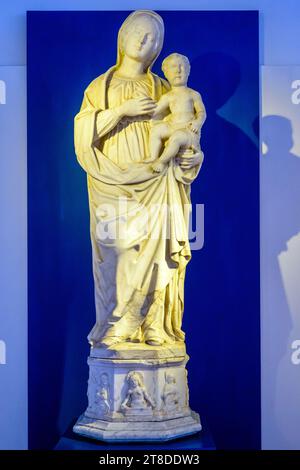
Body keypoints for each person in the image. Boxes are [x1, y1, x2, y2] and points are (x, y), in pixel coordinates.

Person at [74, 10, 203, 348]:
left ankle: (153, 326)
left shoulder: (163, 87)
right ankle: (116, 323)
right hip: (112, 182)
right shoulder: (100, 88)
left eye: (153, 39)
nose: (145, 41)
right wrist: (121, 111)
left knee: (159, 253)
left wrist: (188, 159)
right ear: (123, 36)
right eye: (139, 33)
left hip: (157, 180)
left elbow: (183, 136)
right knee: (116, 255)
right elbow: (83, 133)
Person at [150, 53, 206, 173]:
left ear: (188, 71)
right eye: (173, 67)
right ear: (166, 74)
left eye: (182, 67)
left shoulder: (193, 94)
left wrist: (197, 123)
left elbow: (201, 112)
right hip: (173, 127)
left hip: (187, 131)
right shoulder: (167, 97)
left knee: (176, 138)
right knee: (157, 130)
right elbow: (154, 111)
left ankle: (161, 161)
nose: (178, 71)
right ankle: (152, 158)